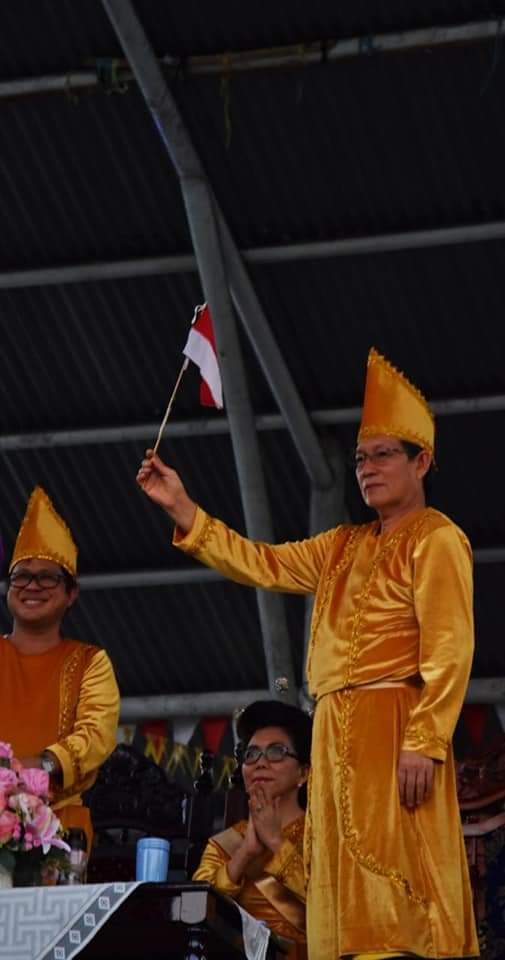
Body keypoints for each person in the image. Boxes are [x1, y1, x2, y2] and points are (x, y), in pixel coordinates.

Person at [137, 348, 478, 960]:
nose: (367, 469)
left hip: (392, 721)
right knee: (339, 880)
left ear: (421, 461)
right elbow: (263, 563)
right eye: (359, 459)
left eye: (381, 456)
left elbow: (451, 646)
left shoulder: (437, 537)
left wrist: (425, 738)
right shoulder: (342, 545)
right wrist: (185, 511)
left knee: (399, 885)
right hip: (332, 731)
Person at [0, 486, 120, 853]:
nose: (32, 586)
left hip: (59, 835)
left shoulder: (90, 662)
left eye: (48, 577)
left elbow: (96, 736)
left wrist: (36, 769)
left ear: (71, 594)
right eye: (22, 576)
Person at [193, 699, 311, 959]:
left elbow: (337, 909)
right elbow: (195, 909)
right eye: (251, 754)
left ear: (303, 774)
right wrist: (244, 854)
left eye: (276, 752)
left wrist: (278, 844)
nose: (260, 762)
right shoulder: (226, 843)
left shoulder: (323, 836)